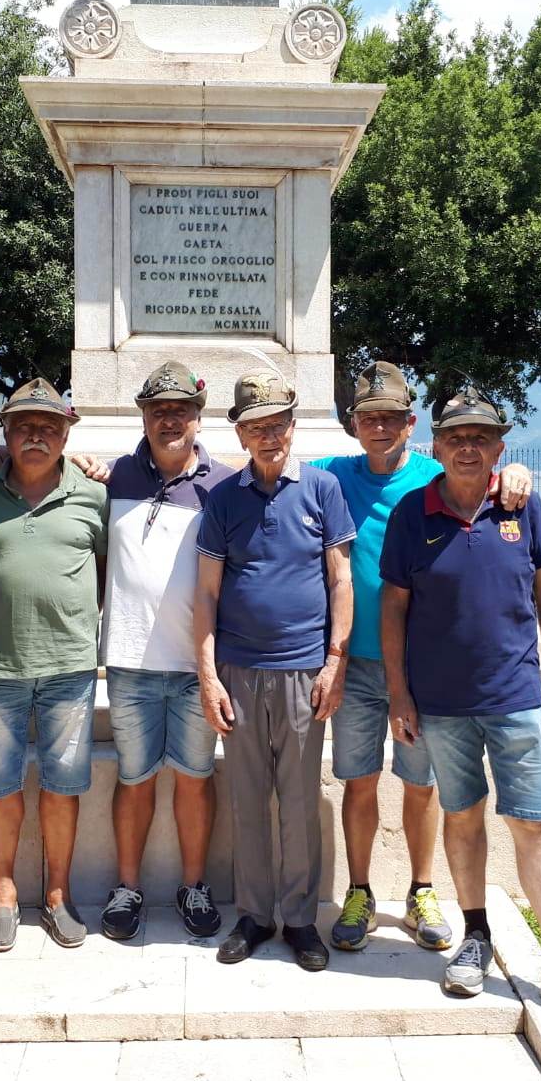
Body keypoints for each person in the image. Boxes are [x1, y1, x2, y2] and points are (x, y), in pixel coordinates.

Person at [381, 384, 541, 1030]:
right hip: (440, 703)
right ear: (434, 446)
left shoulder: (523, 504)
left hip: (514, 696)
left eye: (480, 438)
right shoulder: (412, 514)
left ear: (498, 447)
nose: (467, 448)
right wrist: (399, 695)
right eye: (456, 438)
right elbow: (394, 607)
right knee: (461, 819)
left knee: (532, 825)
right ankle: (476, 935)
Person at [311, 362, 531, 954]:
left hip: (422, 665)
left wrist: (516, 470)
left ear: (412, 424)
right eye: (367, 418)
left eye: (391, 418)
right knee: (358, 781)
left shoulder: (442, 475)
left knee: (421, 785)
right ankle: (358, 891)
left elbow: (491, 478)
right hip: (355, 664)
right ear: (352, 425)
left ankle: (420, 889)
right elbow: (261, 462)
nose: (379, 428)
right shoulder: (330, 476)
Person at [194, 371, 354, 972]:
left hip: (303, 672)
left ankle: (301, 919)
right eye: (256, 426)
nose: (270, 436)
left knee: (297, 800)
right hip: (239, 670)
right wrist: (208, 676)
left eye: (279, 423)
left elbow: (340, 579)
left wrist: (335, 660)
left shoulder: (322, 489)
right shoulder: (223, 500)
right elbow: (206, 595)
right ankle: (257, 916)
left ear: (294, 425)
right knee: (247, 798)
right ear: (239, 433)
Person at [0, 378, 108, 952]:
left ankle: (56, 895)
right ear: (6, 432)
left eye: (49, 427)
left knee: (62, 785)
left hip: (70, 666)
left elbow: (109, 570)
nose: (36, 436)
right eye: (24, 426)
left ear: (67, 434)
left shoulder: (95, 493)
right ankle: (3, 894)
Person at [97, 363, 234, 942]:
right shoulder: (112, 477)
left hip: (196, 667)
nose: (169, 419)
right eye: (158, 410)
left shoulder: (225, 484)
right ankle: (127, 887)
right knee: (134, 778)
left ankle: (194, 885)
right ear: (143, 416)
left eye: (180, 410)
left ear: (198, 418)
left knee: (196, 778)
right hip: (128, 662)